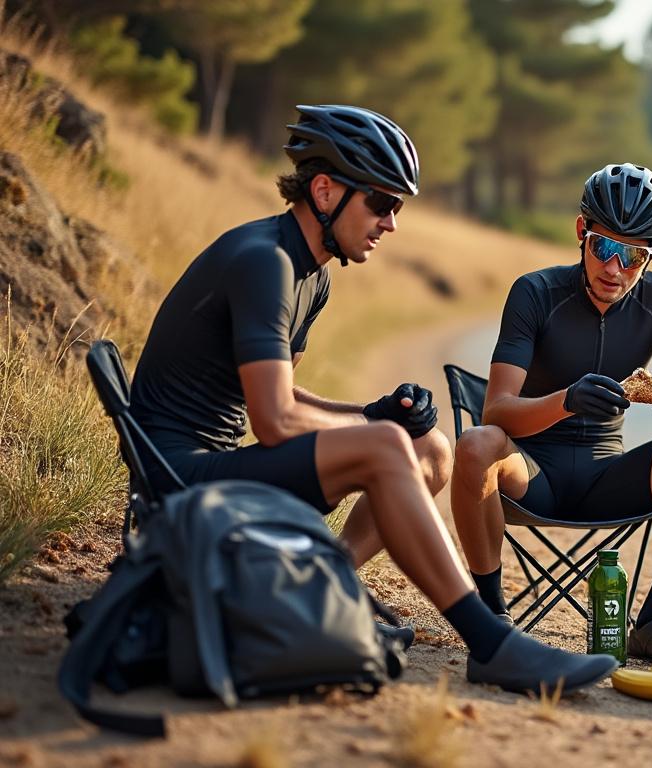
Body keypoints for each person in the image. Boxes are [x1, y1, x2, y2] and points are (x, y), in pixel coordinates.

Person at [128, 104, 618, 694]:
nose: (391, 224)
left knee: (430, 449)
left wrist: (374, 414)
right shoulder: (266, 263)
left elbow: (283, 391)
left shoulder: (313, 275)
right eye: (381, 204)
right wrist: (369, 429)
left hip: (217, 464)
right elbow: (277, 420)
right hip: (179, 477)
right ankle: (490, 642)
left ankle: (315, 591)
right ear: (326, 190)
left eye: (398, 208)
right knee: (388, 447)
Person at [450, 163, 652, 663]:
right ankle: (492, 620)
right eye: (603, 247)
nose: (614, 268)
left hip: (607, 477)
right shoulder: (535, 292)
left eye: (632, 256)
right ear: (580, 233)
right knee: (474, 444)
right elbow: (497, 411)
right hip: (532, 473)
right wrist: (566, 400)